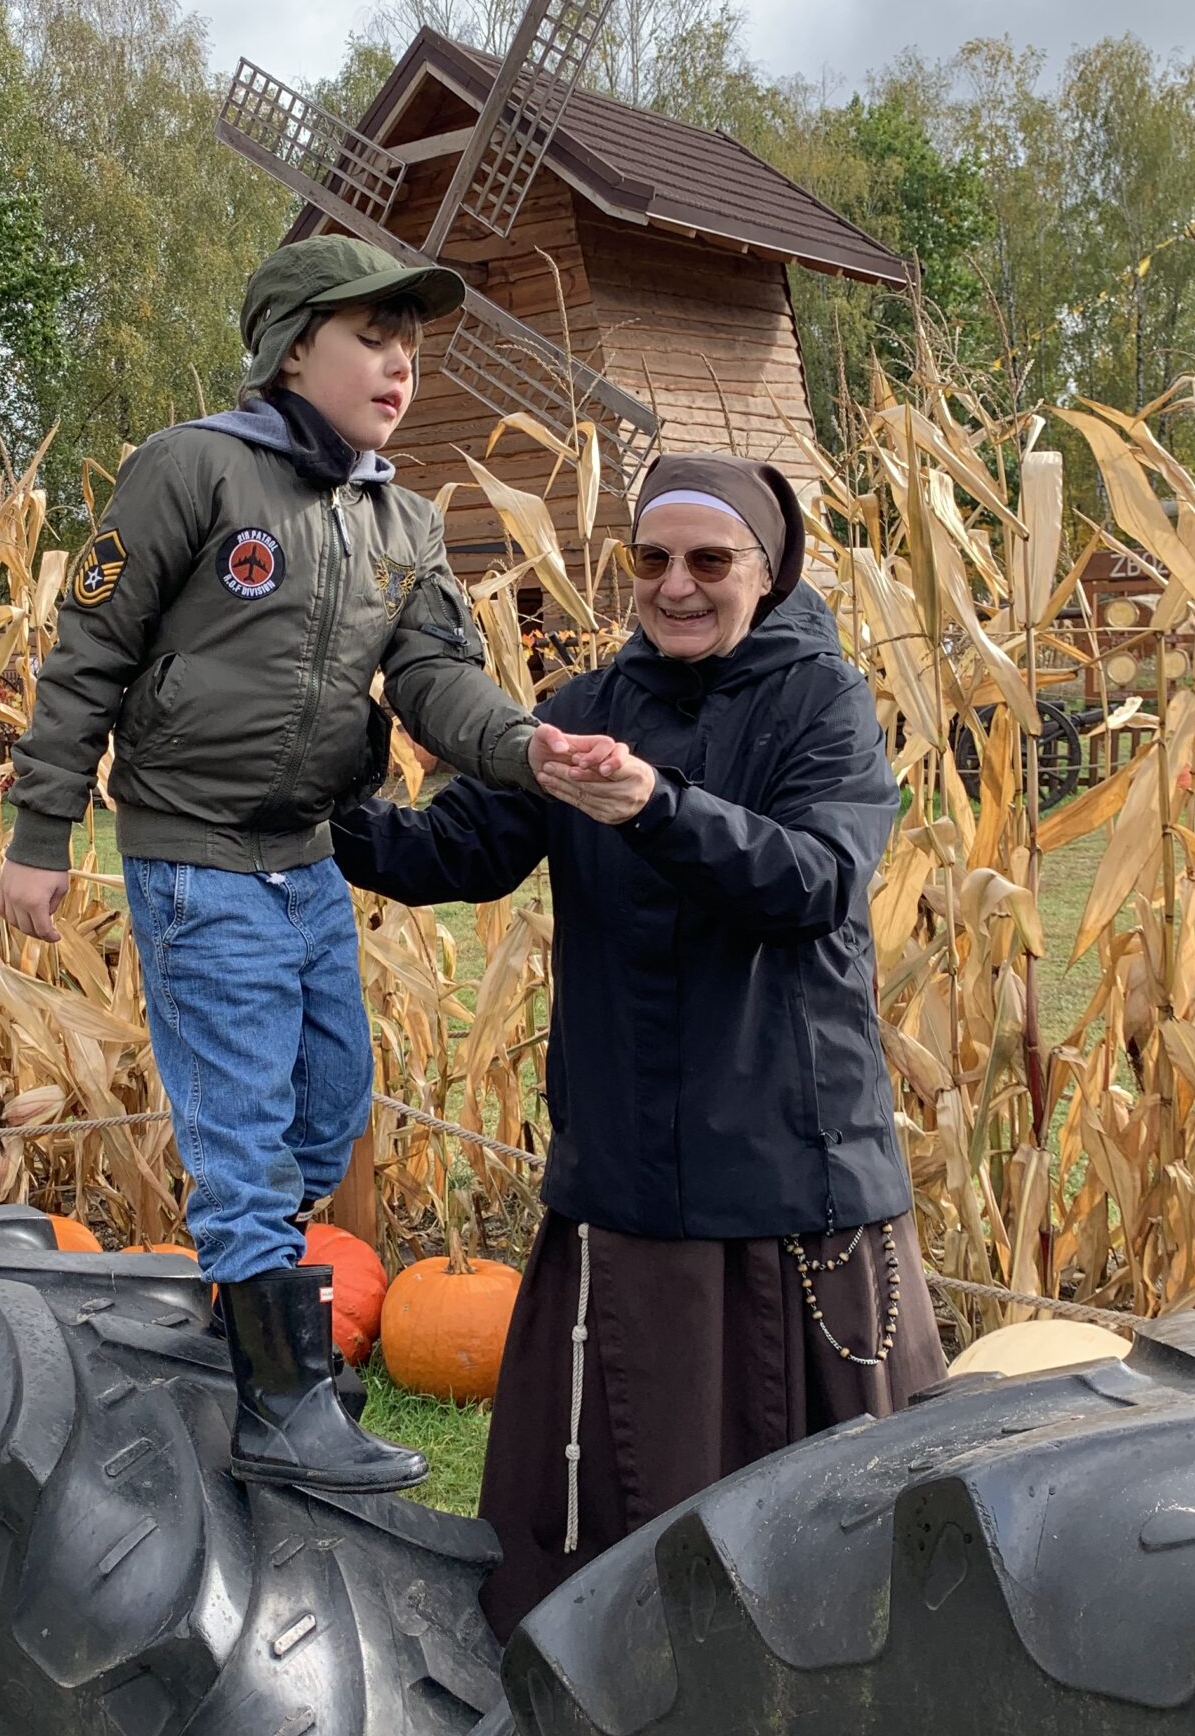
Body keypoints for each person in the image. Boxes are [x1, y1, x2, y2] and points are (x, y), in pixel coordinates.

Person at [0, 235, 610, 1493]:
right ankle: (283, 1406)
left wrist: (523, 746)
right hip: (196, 855)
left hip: (307, 858)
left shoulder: (403, 519)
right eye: (370, 338)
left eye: (409, 343)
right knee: (247, 1137)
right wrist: (42, 834)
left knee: (331, 1107)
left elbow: (434, 675)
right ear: (290, 347)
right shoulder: (194, 469)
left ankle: (247, 1345)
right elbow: (90, 651)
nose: (399, 363)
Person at [333, 453, 947, 1635]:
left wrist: (656, 808)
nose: (676, 585)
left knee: (823, 1552)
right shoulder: (581, 710)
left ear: (766, 574)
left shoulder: (825, 702)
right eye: (651, 560)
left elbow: (814, 880)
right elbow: (448, 853)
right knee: (611, 1542)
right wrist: (314, 785)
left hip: (789, 1177)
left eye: (709, 560)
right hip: (623, 1170)